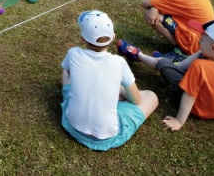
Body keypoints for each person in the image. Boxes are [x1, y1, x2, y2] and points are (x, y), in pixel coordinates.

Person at [117, 19, 214, 136]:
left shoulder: (200, 66)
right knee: (179, 64)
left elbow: (189, 96)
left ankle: (139, 55)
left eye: (202, 39)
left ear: (213, 48)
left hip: (195, 108)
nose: (198, 40)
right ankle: (166, 66)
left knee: (162, 63)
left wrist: (179, 121)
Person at [60, 10, 158, 151]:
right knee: (151, 96)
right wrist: (118, 87)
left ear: (82, 38)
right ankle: (116, 91)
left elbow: (69, 72)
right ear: (113, 37)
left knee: (66, 69)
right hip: (106, 136)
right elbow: (136, 101)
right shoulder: (119, 63)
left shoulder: (73, 53)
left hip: (72, 124)